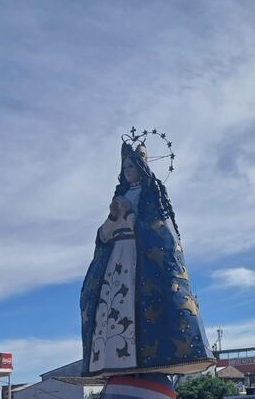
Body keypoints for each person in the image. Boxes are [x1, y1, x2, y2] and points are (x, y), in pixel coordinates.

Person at [80, 140, 214, 378]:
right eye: (124, 167)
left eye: (131, 166)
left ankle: (145, 359)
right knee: (112, 308)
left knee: (138, 307)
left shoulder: (150, 194)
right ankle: (117, 359)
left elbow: (159, 232)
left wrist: (130, 213)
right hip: (116, 261)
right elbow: (102, 236)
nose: (127, 171)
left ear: (141, 166)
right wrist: (113, 215)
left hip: (139, 261)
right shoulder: (120, 195)